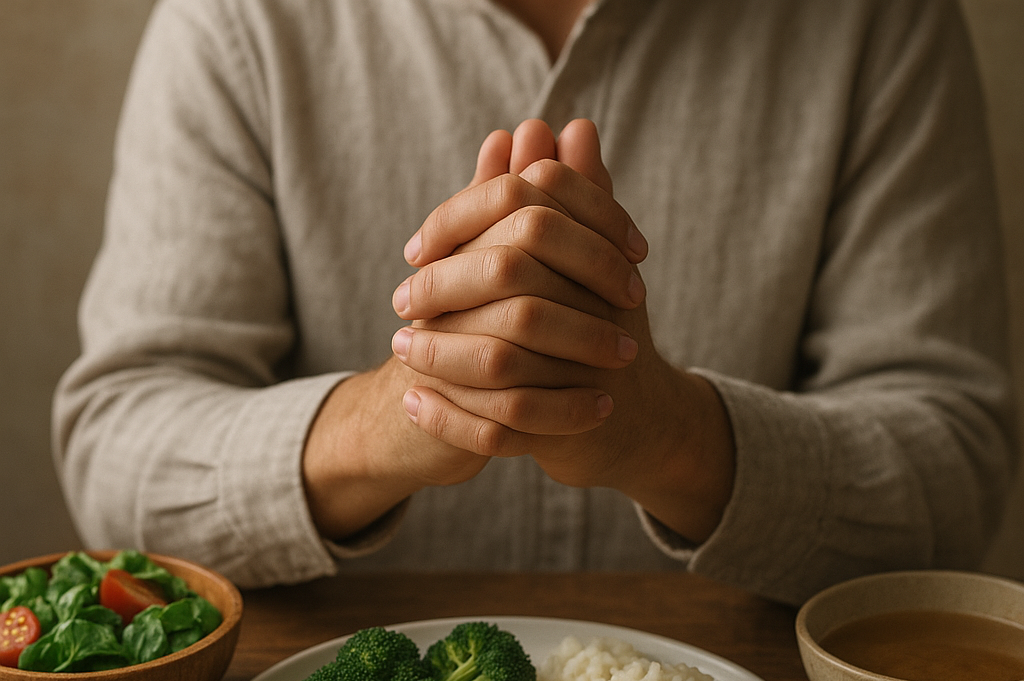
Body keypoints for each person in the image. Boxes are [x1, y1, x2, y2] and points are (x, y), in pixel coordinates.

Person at [53, 0, 1017, 606]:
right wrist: (404, 411)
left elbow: (956, 470)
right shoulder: (236, 18)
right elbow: (117, 445)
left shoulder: (882, 20)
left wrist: (669, 436)